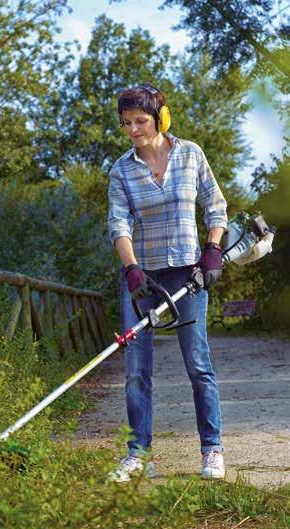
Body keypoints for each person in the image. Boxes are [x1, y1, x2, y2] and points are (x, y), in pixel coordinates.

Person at [107, 84, 227, 482]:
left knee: (198, 363)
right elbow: (119, 224)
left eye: (141, 121)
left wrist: (212, 248)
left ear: (161, 118)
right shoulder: (122, 169)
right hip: (142, 278)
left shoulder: (190, 154)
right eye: (126, 123)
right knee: (136, 370)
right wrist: (131, 269)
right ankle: (139, 454)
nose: (134, 130)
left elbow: (215, 205)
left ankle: (212, 449)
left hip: (186, 274)